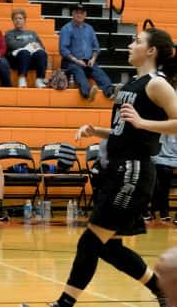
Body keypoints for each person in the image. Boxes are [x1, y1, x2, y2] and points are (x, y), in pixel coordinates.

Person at [41, 28, 177, 307]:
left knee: (90, 242)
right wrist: (97, 131)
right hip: (118, 170)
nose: (130, 45)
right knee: (109, 247)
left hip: (133, 172)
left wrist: (143, 123)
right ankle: (161, 289)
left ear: (151, 51)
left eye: (137, 41)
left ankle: (64, 304)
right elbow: (124, 130)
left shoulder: (157, 84)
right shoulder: (132, 85)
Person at [59, 4, 115, 101]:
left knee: (98, 72)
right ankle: (88, 93)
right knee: (78, 71)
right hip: (71, 62)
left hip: (88, 61)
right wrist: (76, 60)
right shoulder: (66, 29)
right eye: (77, 12)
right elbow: (63, 49)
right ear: (73, 14)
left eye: (82, 13)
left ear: (85, 15)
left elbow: (96, 47)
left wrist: (93, 59)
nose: (79, 15)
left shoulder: (89, 29)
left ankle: (110, 92)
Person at [150, 68, 177, 222]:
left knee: (163, 181)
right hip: (162, 144)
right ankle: (157, 209)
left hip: (171, 142)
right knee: (160, 181)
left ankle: (162, 210)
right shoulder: (165, 93)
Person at [5, 8, 48, 88]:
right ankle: (22, 79)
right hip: (17, 59)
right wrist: (30, 45)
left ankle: (39, 80)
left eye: (20, 18)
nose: (18, 20)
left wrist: (38, 46)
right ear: (13, 21)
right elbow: (12, 45)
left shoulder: (32, 33)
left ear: (24, 20)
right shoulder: (9, 33)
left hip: (32, 59)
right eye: (15, 18)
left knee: (41, 53)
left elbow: (41, 46)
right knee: (24, 52)